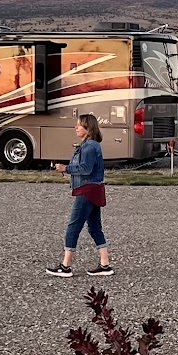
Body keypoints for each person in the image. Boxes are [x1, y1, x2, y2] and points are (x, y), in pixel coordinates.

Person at [46, 114, 113, 277]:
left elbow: (86, 169)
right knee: (95, 227)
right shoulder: (91, 145)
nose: (76, 128)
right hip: (94, 189)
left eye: (79, 125)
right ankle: (105, 265)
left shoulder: (89, 146)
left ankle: (66, 266)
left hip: (87, 190)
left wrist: (65, 169)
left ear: (88, 128)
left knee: (73, 227)